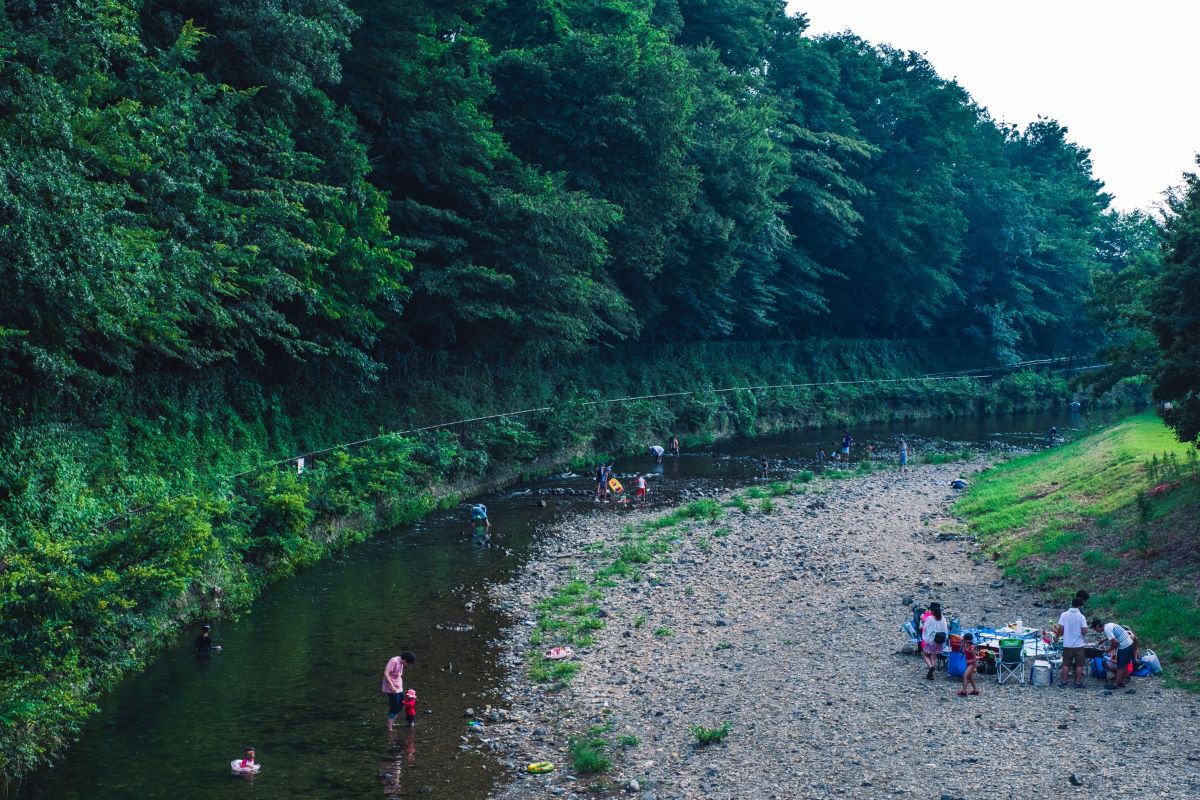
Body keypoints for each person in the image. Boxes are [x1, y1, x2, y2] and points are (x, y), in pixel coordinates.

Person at [1090, 618, 1136, 693]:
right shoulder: (1109, 625)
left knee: (1120, 666)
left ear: (1098, 627)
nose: (1096, 631)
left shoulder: (1107, 629)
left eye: (1095, 629)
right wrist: (1104, 640)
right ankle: (1122, 682)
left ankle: (1115, 684)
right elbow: (1115, 635)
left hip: (1124, 646)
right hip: (1130, 644)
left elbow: (1116, 642)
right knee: (1124, 665)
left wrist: (1109, 650)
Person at [1055, 596, 1089, 689]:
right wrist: (1082, 633)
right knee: (1079, 665)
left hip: (1067, 644)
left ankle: (1064, 682)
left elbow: (1060, 628)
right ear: (1079, 606)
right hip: (1079, 644)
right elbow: (1084, 630)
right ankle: (1077, 683)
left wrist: (1057, 637)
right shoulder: (1081, 617)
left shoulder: (1064, 615)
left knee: (1066, 664)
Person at [382, 651, 416, 730]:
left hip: (399, 688)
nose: (407, 665)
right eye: (408, 663)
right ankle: (390, 728)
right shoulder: (394, 661)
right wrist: (392, 687)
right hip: (392, 689)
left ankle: (392, 723)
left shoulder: (401, 663)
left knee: (400, 706)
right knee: (394, 707)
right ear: (405, 660)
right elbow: (386, 673)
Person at [920, 602, 948, 680]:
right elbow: (945, 629)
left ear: (932, 610)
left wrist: (923, 621)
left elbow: (925, 628)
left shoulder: (930, 618)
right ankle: (931, 674)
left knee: (925, 654)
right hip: (940, 640)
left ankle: (931, 667)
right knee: (934, 656)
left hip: (931, 640)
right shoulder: (942, 618)